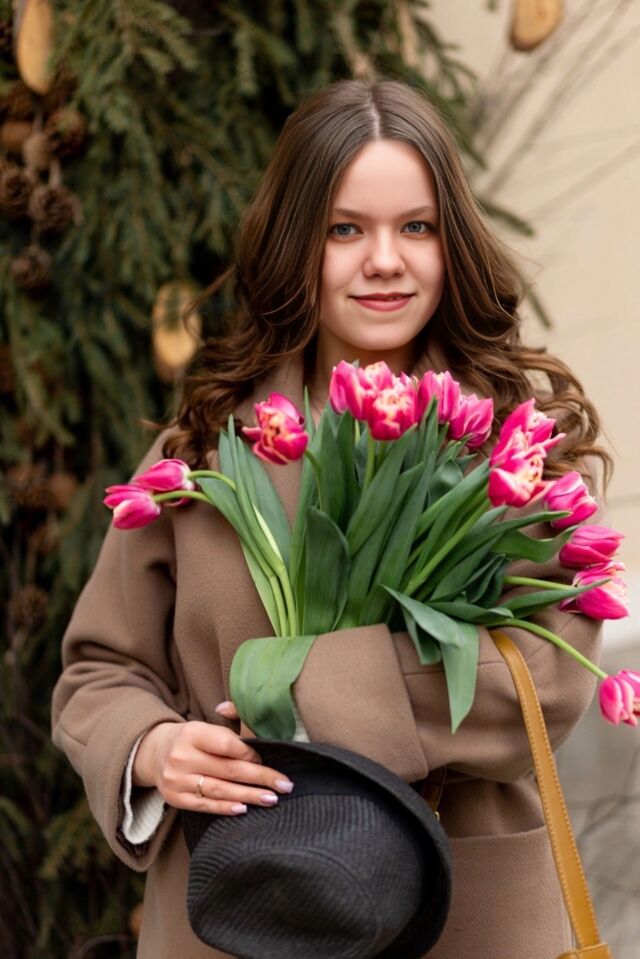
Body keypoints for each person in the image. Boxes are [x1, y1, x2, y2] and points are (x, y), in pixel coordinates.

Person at [51, 78, 612, 959]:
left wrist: (297, 694)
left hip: (466, 913)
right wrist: (152, 748)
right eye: (345, 230)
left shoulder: (514, 449)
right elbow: (100, 669)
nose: (384, 260)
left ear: (453, 243)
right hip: (239, 910)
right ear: (296, 243)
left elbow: (544, 679)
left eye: (416, 227)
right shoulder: (203, 454)